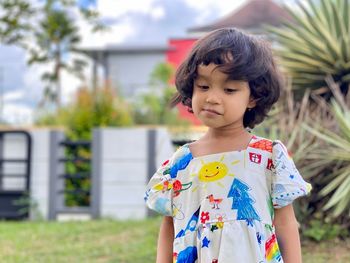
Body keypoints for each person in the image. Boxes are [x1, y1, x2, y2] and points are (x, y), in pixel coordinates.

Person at [144, 28, 312, 263]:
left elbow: (285, 223)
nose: (212, 97)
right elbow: (170, 227)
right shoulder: (180, 163)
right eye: (203, 86)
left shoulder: (269, 156)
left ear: (253, 97)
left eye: (229, 89)